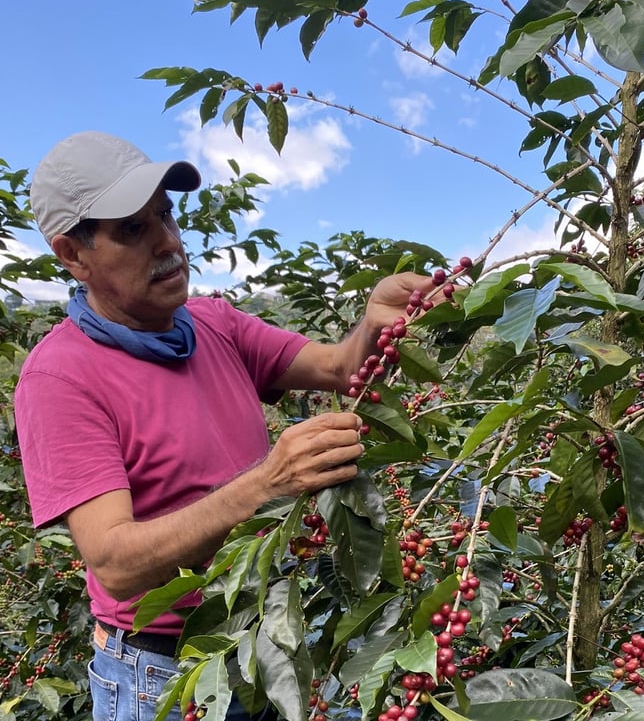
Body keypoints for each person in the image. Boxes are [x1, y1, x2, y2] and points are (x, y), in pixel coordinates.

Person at [14, 131, 435, 721]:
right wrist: (266, 485)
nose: (167, 242)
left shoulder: (213, 323)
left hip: (263, 637)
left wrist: (376, 321)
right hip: (166, 672)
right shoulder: (60, 378)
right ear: (73, 255)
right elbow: (115, 565)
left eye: (166, 215)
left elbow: (341, 367)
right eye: (133, 230)